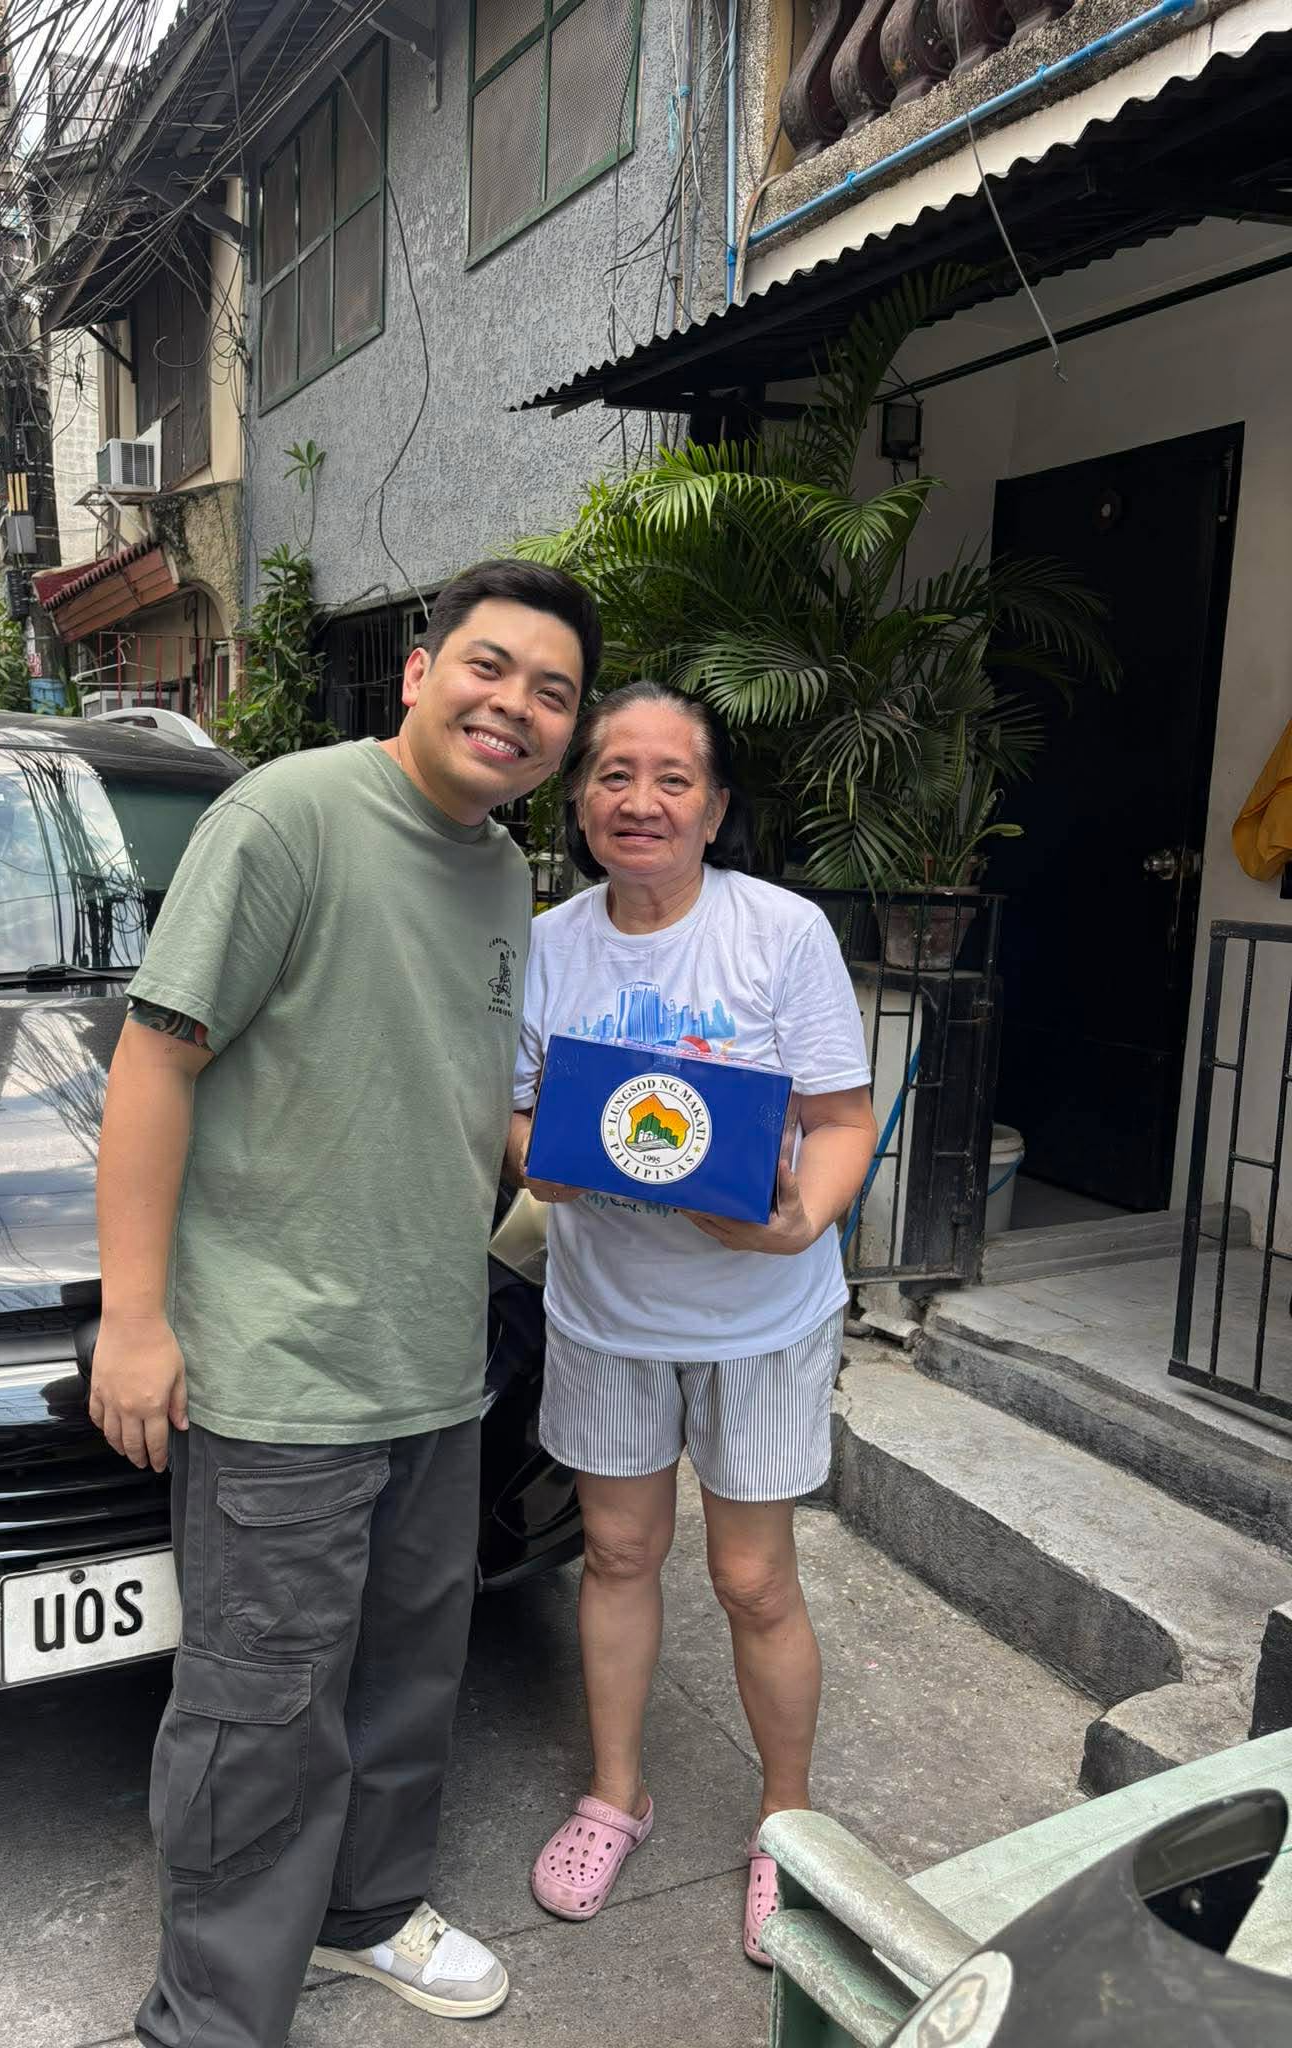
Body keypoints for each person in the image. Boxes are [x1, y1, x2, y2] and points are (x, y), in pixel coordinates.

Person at [89, 559, 599, 2048]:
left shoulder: (504, 869)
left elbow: (458, 1093)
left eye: (551, 692)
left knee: (405, 1673)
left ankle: (368, 1917)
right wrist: (136, 1318)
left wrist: (601, 1148)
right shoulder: (289, 816)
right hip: (281, 1360)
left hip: (435, 1353)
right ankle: (214, 2015)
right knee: (260, 1710)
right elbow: (157, 1060)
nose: (515, 707)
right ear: (420, 672)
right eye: (490, 669)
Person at [506, 679, 877, 1964]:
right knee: (614, 1555)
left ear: (715, 806)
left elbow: (841, 1118)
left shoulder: (782, 933)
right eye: (615, 773)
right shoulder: (548, 942)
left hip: (763, 1311)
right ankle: (619, 1792)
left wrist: (795, 1223)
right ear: (580, 798)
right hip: (608, 1311)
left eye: (674, 778)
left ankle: (786, 1821)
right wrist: (540, 1161)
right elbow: (520, 1118)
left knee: (752, 1575)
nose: (642, 800)